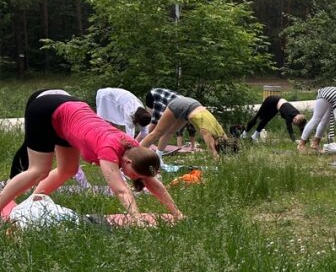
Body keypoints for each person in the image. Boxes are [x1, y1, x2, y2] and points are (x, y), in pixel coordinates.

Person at [0, 90, 182, 218]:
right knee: (39, 170)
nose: (135, 178)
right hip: (47, 110)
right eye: (134, 175)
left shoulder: (136, 151)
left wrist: (177, 213)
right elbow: (120, 189)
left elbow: (153, 183)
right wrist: (137, 219)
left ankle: (36, 200)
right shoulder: (108, 150)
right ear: (126, 162)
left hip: (68, 117)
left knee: (67, 170)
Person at [140, 94, 227, 157]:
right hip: (180, 105)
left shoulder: (222, 135)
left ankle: (158, 157)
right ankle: (136, 153)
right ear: (216, 143)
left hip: (193, 106)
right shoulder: (207, 131)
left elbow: (226, 144)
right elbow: (212, 150)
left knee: (171, 132)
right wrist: (219, 162)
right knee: (157, 133)